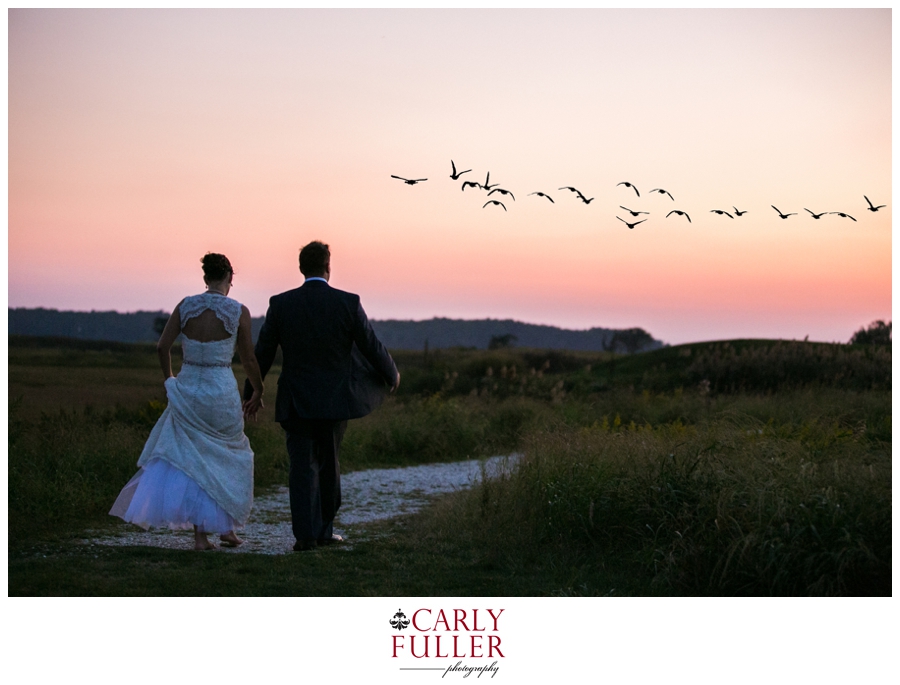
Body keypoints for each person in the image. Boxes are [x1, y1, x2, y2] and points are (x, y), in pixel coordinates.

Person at [245, 240, 399, 552]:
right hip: (335, 400)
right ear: (328, 267)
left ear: (302, 268)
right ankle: (324, 531)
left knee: (301, 467)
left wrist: (250, 392)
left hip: (296, 399)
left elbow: (262, 353)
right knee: (329, 465)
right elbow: (371, 345)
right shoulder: (348, 302)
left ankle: (305, 536)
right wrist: (391, 374)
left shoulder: (280, 304)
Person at [110, 253, 264, 551]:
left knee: (194, 460)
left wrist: (170, 380)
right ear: (230, 278)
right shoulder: (238, 311)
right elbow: (248, 358)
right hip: (220, 389)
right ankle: (227, 530)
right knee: (229, 455)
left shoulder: (186, 305)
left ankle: (202, 536)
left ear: (206, 278)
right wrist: (258, 390)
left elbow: (162, 347)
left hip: (188, 387)